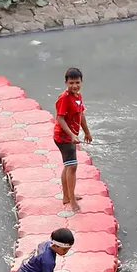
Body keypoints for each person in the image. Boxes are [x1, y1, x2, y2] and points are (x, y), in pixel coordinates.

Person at [53, 67, 90, 212]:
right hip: (63, 137)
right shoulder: (64, 98)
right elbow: (60, 119)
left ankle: (67, 196)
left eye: (77, 82)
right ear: (66, 83)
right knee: (72, 166)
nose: (74, 86)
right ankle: (72, 199)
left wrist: (86, 132)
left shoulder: (78, 96)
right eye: (71, 83)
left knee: (68, 166)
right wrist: (71, 135)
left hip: (70, 136)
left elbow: (81, 115)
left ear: (81, 82)